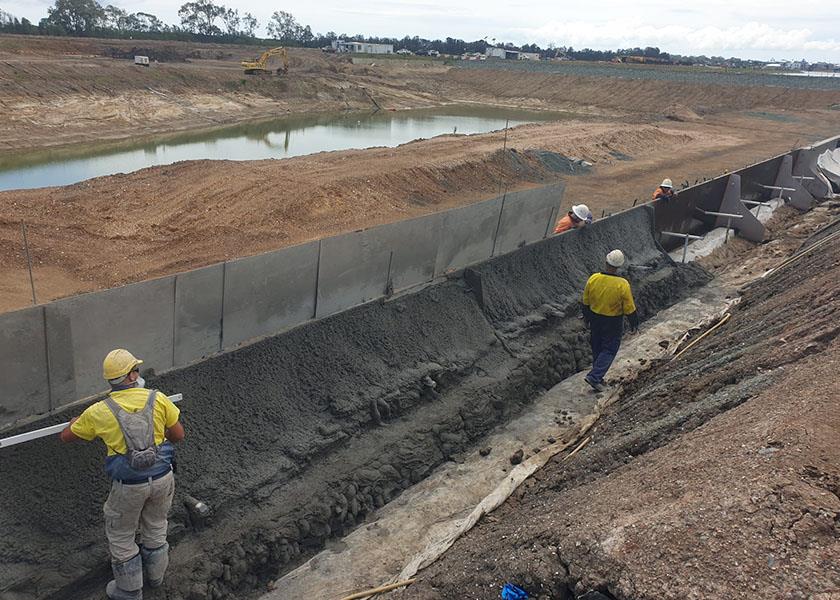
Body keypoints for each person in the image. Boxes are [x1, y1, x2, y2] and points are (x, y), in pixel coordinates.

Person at [61, 349, 185, 600]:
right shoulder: (158, 398)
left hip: (129, 485)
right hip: (163, 478)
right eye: (135, 369)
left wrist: (76, 423)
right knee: (156, 525)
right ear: (131, 375)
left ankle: (129, 591)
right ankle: (156, 577)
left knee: (121, 534)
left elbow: (66, 437)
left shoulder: (99, 411)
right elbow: (178, 435)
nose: (138, 373)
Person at [580, 250, 639, 392]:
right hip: (612, 321)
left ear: (606, 262)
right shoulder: (622, 284)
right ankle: (594, 377)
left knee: (597, 347)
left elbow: (585, 301)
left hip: (595, 318)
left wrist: (586, 318)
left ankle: (598, 377)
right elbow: (629, 307)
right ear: (619, 266)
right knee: (610, 349)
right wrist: (634, 323)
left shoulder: (593, 278)